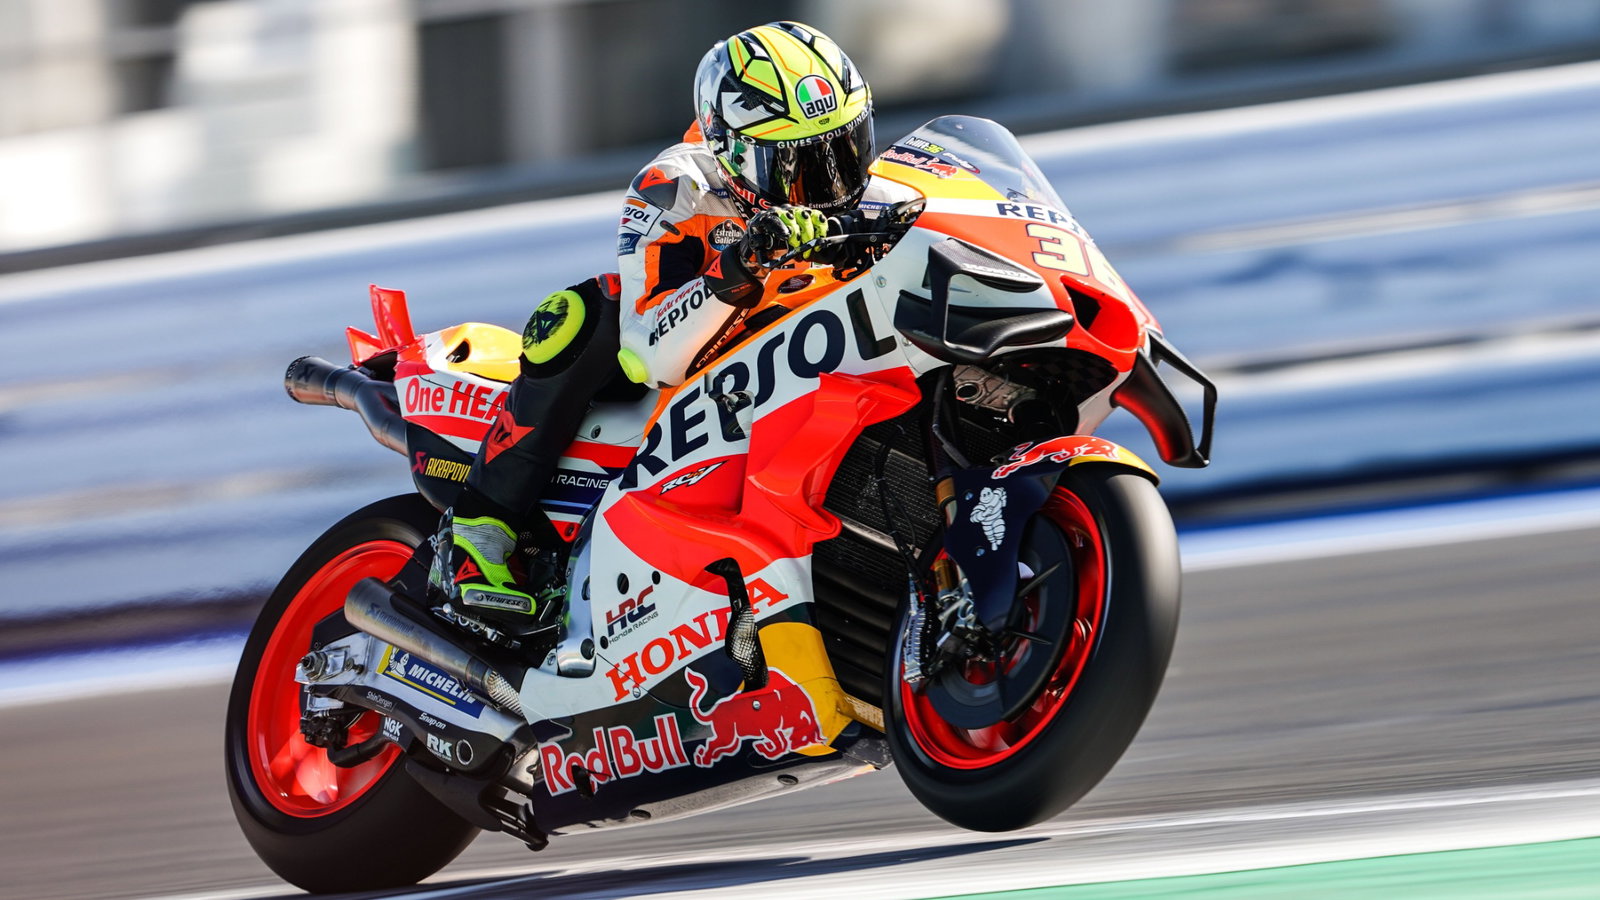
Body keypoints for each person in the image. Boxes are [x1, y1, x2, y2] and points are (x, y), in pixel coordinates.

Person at [429, 21, 900, 630]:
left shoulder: (881, 192)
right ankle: (477, 528)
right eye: (798, 166)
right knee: (582, 312)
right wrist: (741, 266)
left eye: (843, 150)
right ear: (733, 154)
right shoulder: (676, 188)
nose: (831, 185)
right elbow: (647, 351)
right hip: (678, 378)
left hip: (804, 378)